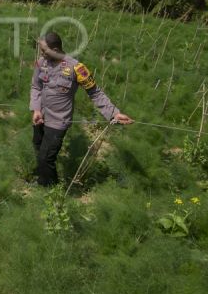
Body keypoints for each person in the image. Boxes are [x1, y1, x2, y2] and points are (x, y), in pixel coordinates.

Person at [29, 32, 133, 186]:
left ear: (55, 50)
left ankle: (48, 187)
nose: (41, 53)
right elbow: (36, 86)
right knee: (38, 148)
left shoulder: (76, 68)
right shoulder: (42, 63)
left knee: (46, 157)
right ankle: (43, 178)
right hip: (41, 116)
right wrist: (36, 110)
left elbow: (95, 92)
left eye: (44, 50)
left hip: (58, 121)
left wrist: (114, 114)